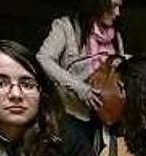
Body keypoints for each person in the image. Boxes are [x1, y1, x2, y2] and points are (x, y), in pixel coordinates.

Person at [37, 0, 125, 145]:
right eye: (113, 6)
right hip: (74, 114)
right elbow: (43, 58)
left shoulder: (116, 34)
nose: (117, 13)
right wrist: (80, 88)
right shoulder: (66, 27)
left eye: (119, 7)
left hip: (108, 116)